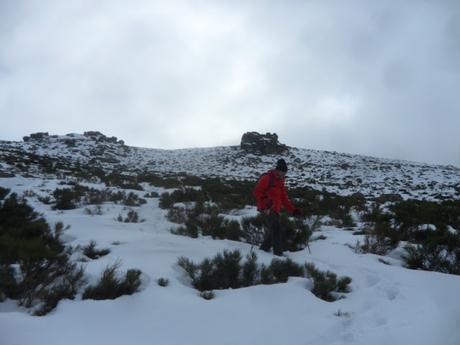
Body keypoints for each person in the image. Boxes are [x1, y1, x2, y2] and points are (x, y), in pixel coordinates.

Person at [253, 158, 302, 256]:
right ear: (277, 170)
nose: (283, 175)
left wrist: (293, 210)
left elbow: (284, 199)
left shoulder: (281, 182)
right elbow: (257, 192)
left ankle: (263, 249)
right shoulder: (267, 178)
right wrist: (266, 203)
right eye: (282, 172)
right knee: (276, 228)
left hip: (275, 210)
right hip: (266, 208)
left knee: (274, 229)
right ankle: (278, 254)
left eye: (285, 173)